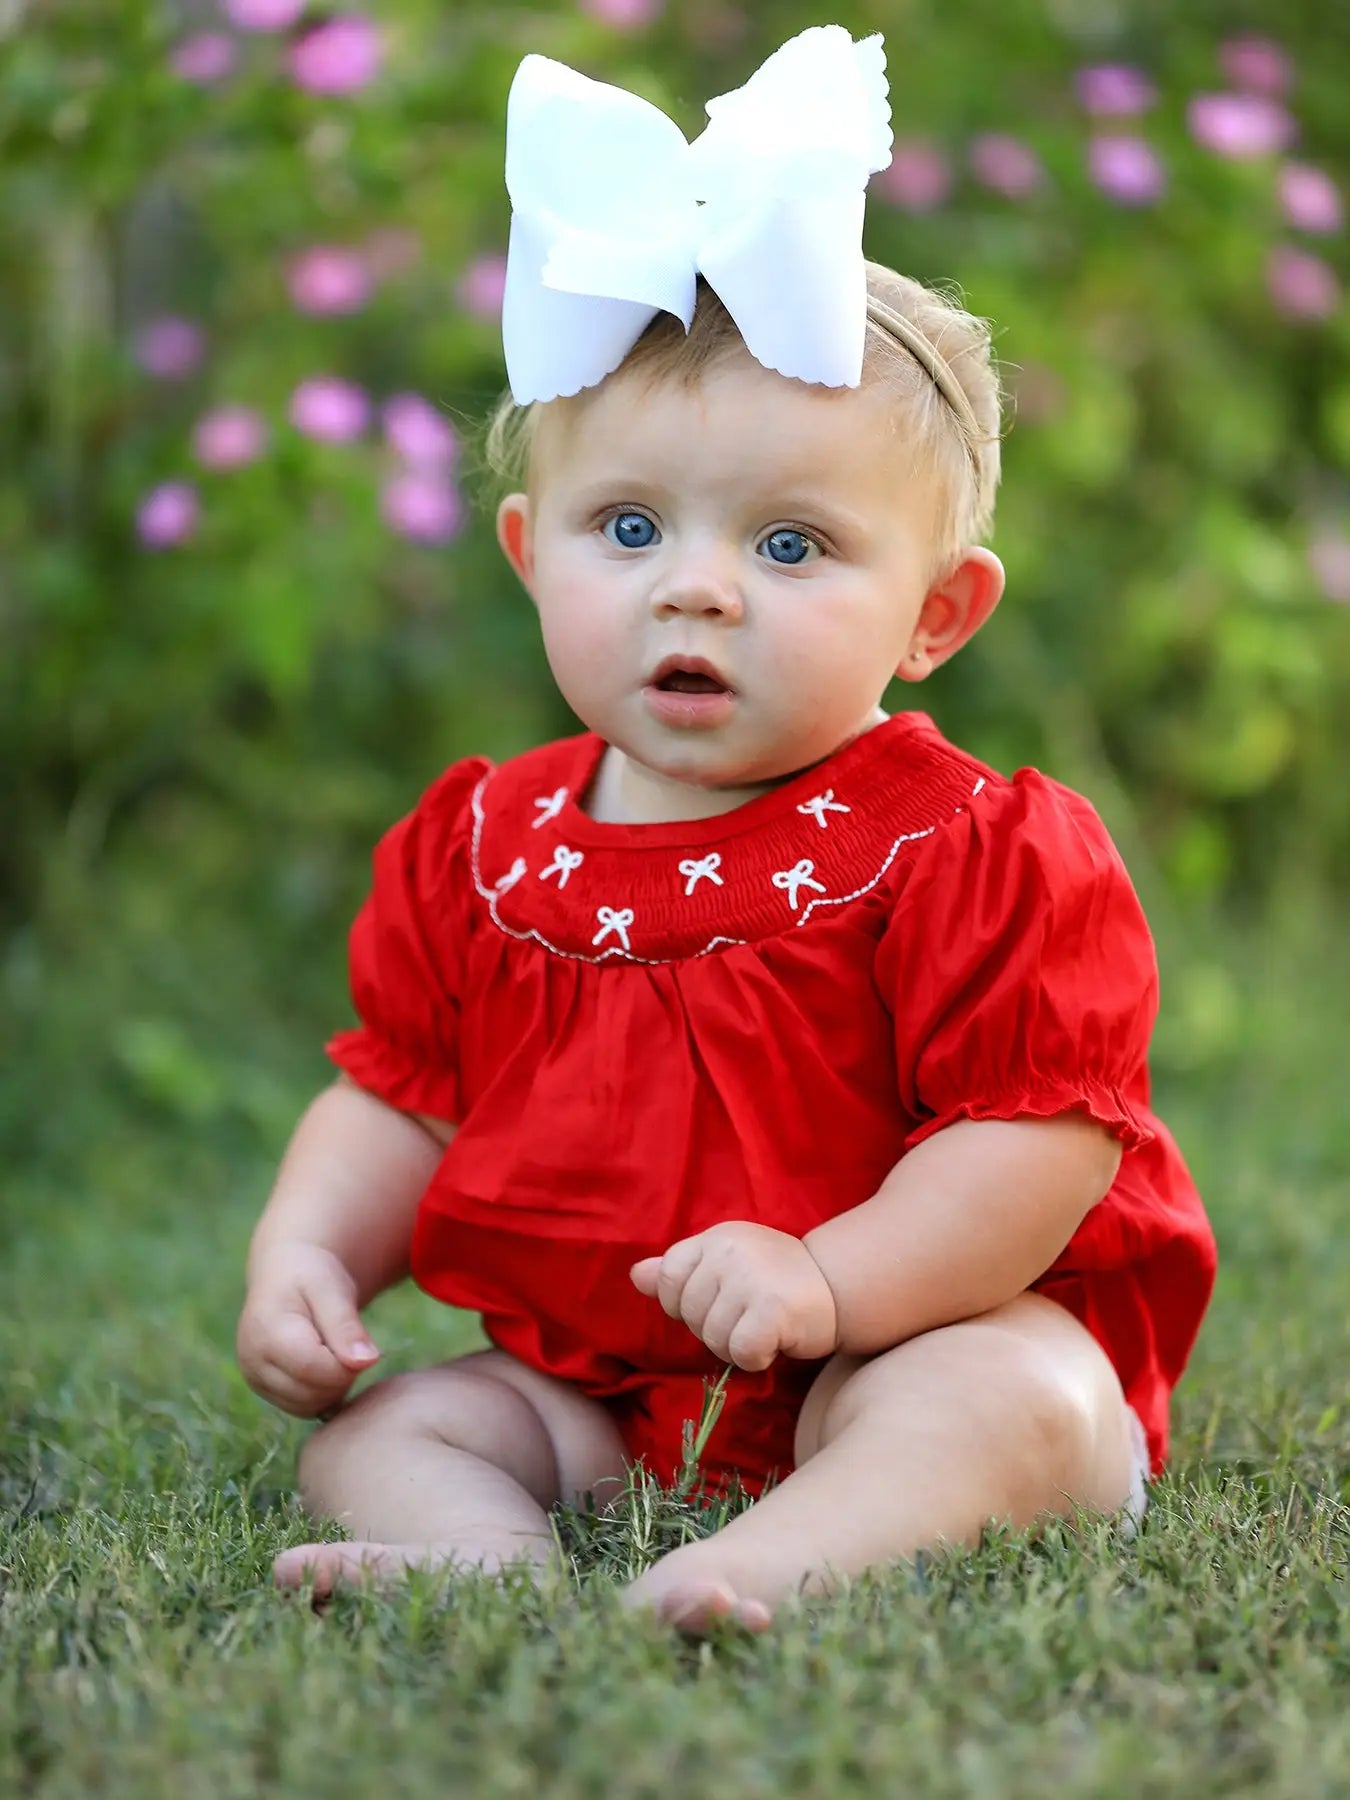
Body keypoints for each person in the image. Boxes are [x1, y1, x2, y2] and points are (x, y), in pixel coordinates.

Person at [236, 25, 1216, 1634]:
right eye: (626, 527)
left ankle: (759, 1563)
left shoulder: (965, 848)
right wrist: (308, 1256)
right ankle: (481, 1558)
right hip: (597, 1391)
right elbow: (403, 1102)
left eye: (790, 542)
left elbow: (1032, 1142)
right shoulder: (487, 844)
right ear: (527, 551)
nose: (696, 584)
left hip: (891, 1346)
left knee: (1018, 1400)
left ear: (935, 615)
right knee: (398, 1425)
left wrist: (832, 1285)